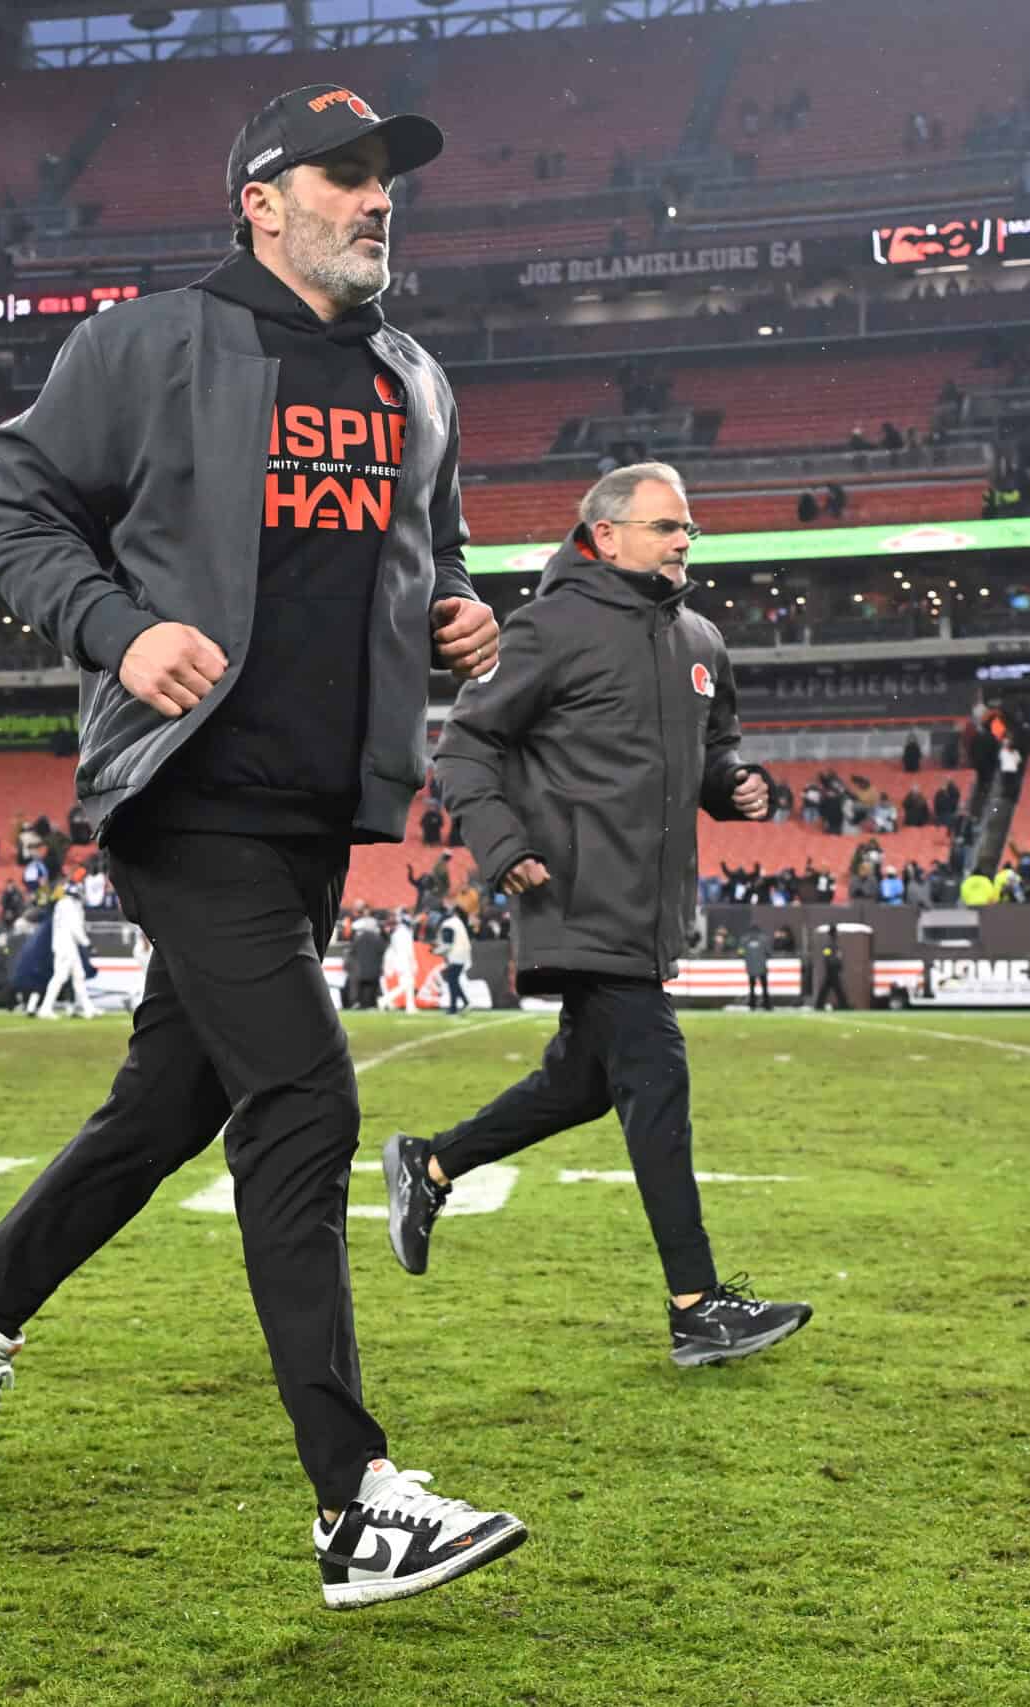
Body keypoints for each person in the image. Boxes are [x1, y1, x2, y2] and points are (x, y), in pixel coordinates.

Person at [0, 82, 523, 1611]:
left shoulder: (416, 379)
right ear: (260, 197)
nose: (378, 198)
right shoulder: (141, 343)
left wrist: (458, 619)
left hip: (320, 806)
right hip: (185, 794)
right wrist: (121, 633)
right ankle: (353, 1499)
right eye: (345, 174)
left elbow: (432, 557)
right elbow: (13, 515)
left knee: (170, 1102)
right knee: (304, 1099)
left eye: (389, 176)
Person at [380, 460, 812, 1371]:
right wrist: (502, 847)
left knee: (581, 1083)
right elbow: (464, 747)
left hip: (649, 906)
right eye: (664, 526)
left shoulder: (701, 639)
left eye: (688, 526)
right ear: (605, 536)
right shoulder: (550, 628)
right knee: (655, 1073)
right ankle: (698, 1306)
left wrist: (734, 789)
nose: (684, 539)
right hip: (573, 892)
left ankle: (430, 1165)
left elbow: (713, 751)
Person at [37, 879, 94, 1018]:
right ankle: (45, 1008)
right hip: (66, 945)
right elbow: (75, 927)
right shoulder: (69, 905)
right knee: (60, 976)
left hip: (66, 944)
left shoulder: (62, 904)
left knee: (78, 975)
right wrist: (87, 943)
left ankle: (88, 1008)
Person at [438, 903, 473, 1014]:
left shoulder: (448, 924)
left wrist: (435, 951)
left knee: (452, 980)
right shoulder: (458, 922)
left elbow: (448, 944)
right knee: (452, 980)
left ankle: (453, 1007)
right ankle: (465, 1002)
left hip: (456, 956)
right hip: (463, 955)